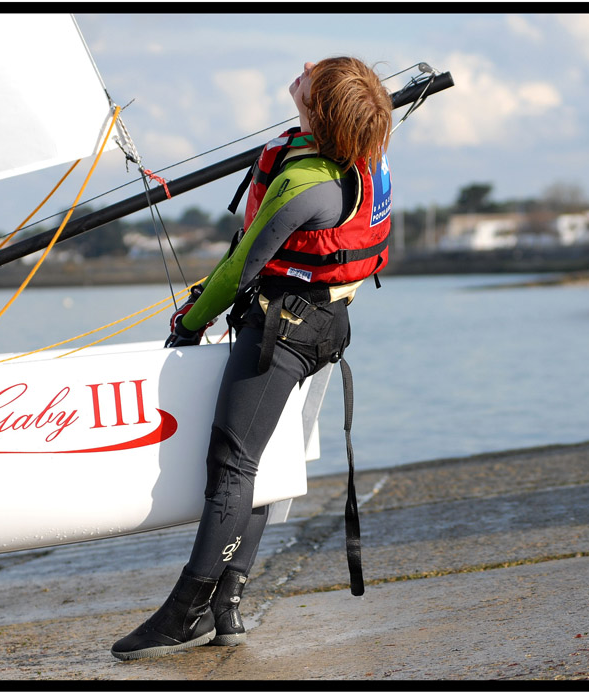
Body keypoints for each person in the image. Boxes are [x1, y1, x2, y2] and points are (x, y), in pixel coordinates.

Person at [110, 56, 393, 661]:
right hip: (325, 325)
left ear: (319, 110)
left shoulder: (302, 184)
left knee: (233, 467)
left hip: (285, 334)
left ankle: (184, 611)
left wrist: (189, 321)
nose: (306, 68)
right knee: (259, 462)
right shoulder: (354, 159)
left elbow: (241, 268)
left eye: (317, 77)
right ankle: (228, 606)